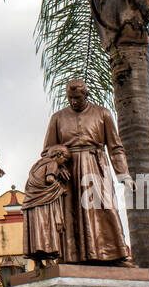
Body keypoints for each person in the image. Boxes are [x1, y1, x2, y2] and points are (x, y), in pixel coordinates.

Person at [39, 78, 132, 264]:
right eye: (70, 98)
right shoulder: (57, 118)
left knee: (106, 208)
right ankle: (72, 258)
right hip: (68, 172)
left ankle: (115, 254)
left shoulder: (103, 114)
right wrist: (58, 168)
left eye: (77, 97)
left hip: (96, 166)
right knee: (70, 213)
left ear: (86, 95)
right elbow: (47, 151)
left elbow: (115, 148)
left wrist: (124, 176)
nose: (73, 101)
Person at [21, 144, 74, 262]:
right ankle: (49, 258)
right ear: (59, 155)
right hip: (44, 200)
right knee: (46, 226)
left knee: (35, 229)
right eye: (64, 160)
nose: (64, 163)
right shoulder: (52, 163)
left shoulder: (37, 165)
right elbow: (49, 179)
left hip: (31, 200)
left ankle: (37, 262)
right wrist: (61, 189)